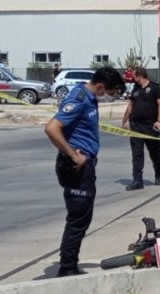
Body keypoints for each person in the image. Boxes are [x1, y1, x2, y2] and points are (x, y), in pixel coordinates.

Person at [43, 66, 125, 277]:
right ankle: (67, 268)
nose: (112, 96)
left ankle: (69, 263)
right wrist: (73, 154)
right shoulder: (79, 99)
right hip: (75, 166)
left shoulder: (89, 97)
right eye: (111, 91)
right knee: (78, 217)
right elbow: (51, 128)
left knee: (82, 216)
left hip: (85, 164)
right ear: (101, 86)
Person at [122, 67, 160, 190]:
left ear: (139, 76)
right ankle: (137, 180)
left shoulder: (155, 87)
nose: (132, 78)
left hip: (150, 125)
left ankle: (158, 173)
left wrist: (159, 121)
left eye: (134, 76)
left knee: (154, 153)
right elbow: (130, 106)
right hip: (136, 125)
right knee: (137, 153)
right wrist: (124, 121)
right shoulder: (135, 89)